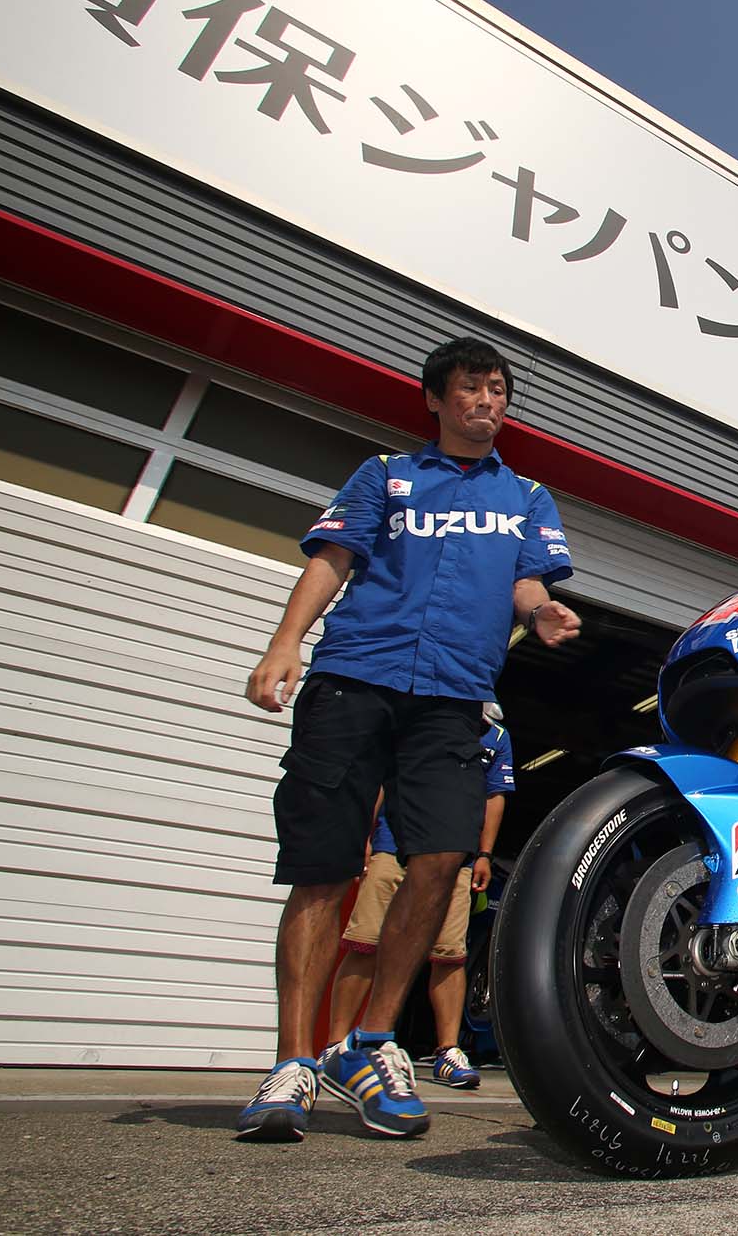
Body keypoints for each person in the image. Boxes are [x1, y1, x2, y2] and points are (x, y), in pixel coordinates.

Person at [236, 336, 581, 1143]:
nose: (487, 401)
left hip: (454, 698)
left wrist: (540, 612)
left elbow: (528, 579)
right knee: (323, 867)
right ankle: (291, 1063)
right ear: (435, 398)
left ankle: (369, 1043)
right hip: (355, 678)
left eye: (498, 389)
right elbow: (333, 559)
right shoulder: (385, 474)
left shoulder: (527, 495)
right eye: (470, 387)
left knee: (438, 861)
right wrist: (284, 642)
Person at [326, 704, 515, 1091]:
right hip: (393, 846)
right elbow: (383, 776)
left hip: (455, 857)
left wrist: (484, 854)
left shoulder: (496, 735)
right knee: (365, 943)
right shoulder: (417, 709)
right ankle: (335, 1047)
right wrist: (364, 835)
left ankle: (448, 1050)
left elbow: (494, 795)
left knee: (450, 953)